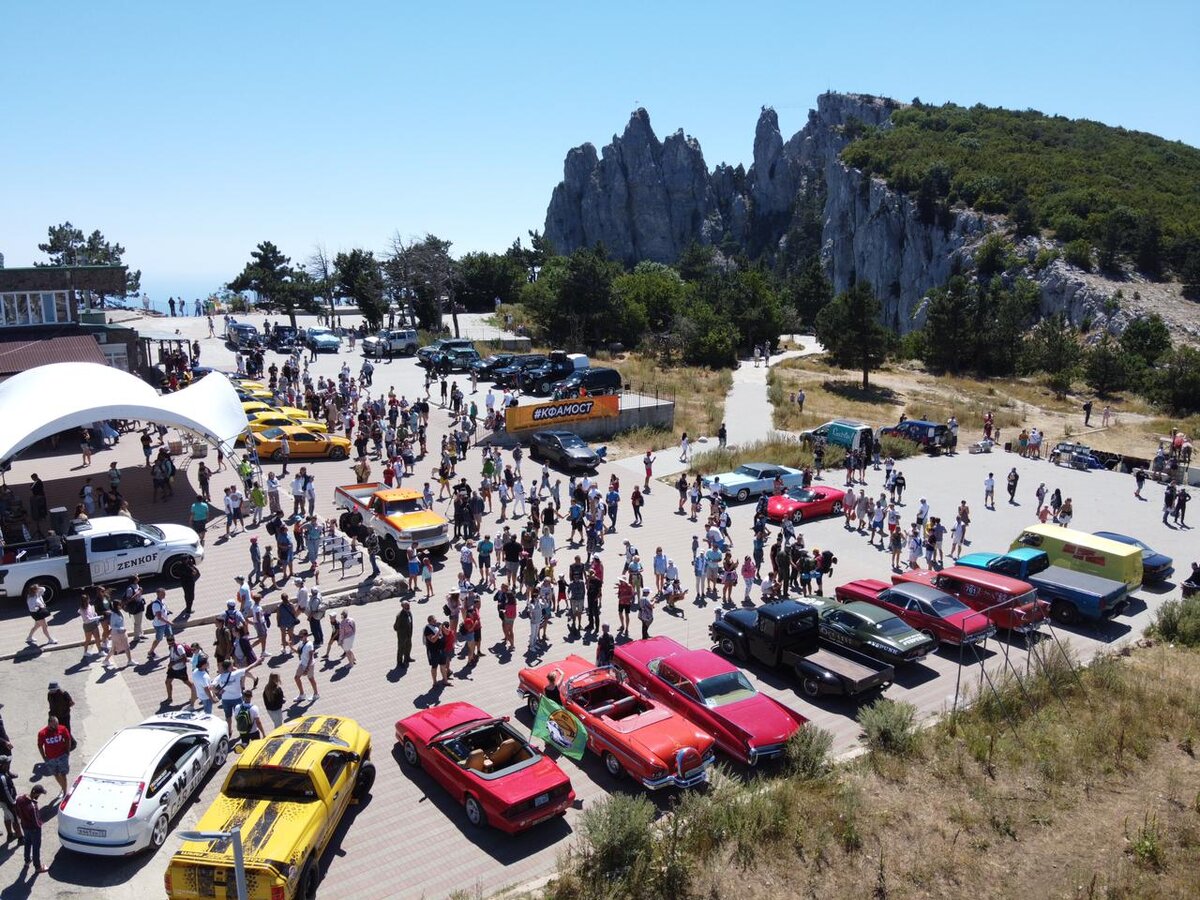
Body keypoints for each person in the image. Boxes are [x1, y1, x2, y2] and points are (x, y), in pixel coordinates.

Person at [215, 657, 261, 737]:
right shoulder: (236, 673)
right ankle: (242, 729)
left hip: (226, 700)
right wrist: (257, 662)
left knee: (228, 717)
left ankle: (229, 731)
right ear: (229, 667)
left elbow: (210, 687)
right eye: (232, 666)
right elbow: (247, 669)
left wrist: (218, 691)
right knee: (240, 715)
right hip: (237, 698)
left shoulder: (220, 677)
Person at [14, 784, 49, 873]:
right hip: (34, 829)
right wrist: (40, 825)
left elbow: (17, 811)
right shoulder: (33, 806)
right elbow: (36, 821)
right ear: (37, 794)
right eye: (40, 794)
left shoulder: (20, 798)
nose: (39, 796)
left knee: (27, 843)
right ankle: (38, 867)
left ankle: (27, 860)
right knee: (36, 847)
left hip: (25, 826)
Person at [37, 715, 72, 797]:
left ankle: (64, 791)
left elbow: (68, 739)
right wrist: (44, 756)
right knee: (56, 774)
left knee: (63, 775)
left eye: (57, 724)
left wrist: (67, 751)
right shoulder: (42, 733)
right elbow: (40, 745)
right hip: (50, 758)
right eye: (55, 725)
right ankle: (63, 787)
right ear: (49, 724)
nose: (57, 727)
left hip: (62, 756)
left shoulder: (62, 729)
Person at [165, 636, 195, 706]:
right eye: (169, 644)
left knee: (187, 682)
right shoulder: (170, 647)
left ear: (174, 641)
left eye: (172, 643)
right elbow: (172, 657)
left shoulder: (179, 648)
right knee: (167, 682)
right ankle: (169, 698)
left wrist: (174, 662)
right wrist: (170, 666)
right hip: (172, 669)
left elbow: (184, 658)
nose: (171, 645)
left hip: (181, 669)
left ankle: (195, 693)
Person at [293, 629, 319, 701]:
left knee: (311, 679)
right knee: (296, 678)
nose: (300, 638)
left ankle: (316, 694)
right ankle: (302, 694)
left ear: (306, 636)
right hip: (302, 663)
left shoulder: (309, 645)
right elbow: (299, 652)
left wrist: (307, 669)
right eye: (300, 637)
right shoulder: (301, 643)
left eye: (301, 637)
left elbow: (311, 657)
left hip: (309, 665)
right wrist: (290, 646)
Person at [394, 600, 413, 669]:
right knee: (401, 648)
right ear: (402, 606)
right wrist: (401, 633)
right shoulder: (400, 616)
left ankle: (407, 658)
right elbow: (396, 626)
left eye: (409, 605)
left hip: (409, 633)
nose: (408, 606)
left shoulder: (409, 612)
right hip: (402, 635)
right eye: (407, 606)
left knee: (408, 646)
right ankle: (399, 662)